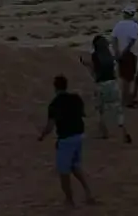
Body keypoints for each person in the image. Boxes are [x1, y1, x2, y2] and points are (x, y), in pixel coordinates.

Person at [37, 75, 95, 206]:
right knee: (75, 166)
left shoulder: (54, 104)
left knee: (64, 172)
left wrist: (41, 135)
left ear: (55, 87)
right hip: (79, 135)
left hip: (66, 139)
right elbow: (83, 114)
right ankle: (88, 191)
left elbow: (50, 127)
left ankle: (69, 200)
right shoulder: (76, 98)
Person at [84, 35, 132, 143]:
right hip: (113, 83)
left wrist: (87, 65)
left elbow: (95, 72)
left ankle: (104, 132)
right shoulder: (109, 55)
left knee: (100, 109)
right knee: (117, 109)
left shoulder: (95, 55)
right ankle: (124, 131)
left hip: (101, 84)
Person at [110, 5, 138, 107]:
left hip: (120, 53)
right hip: (129, 54)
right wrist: (124, 52)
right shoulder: (134, 25)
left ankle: (124, 98)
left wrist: (116, 52)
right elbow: (132, 41)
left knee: (123, 77)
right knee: (129, 78)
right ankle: (126, 100)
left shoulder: (118, 25)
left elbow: (113, 39)